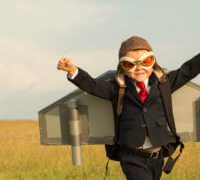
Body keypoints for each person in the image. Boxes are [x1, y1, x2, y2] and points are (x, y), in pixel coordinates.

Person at [57, 36, 200, 180]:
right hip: (131, 156)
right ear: (122, 67)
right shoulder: (117, 88)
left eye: (146, 61)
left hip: (156, 155)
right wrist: (73, 71)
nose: (139, 68)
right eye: (129, 64)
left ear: (153, 62)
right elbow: (93, 86)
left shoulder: (163, 84)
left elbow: (187, 71)